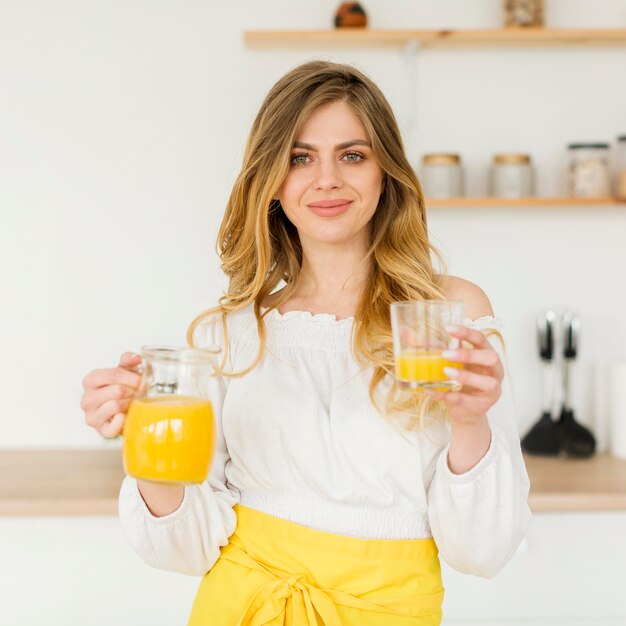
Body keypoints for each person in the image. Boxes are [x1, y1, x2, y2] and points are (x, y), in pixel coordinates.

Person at [81, 61, 531, 625]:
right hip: (240, 608)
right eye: (300, 157)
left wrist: (471, 421)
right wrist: (145, 447)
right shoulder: (235, 332)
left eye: (353, 154)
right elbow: (187, 549)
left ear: (385, 172)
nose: (327, 180)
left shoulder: (443, 319)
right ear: (271, 179)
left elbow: (482, 553)